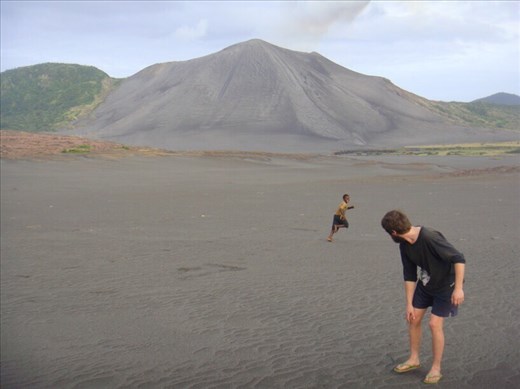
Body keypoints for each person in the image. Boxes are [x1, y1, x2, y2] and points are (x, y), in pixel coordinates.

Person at [381, 210, 465, 385]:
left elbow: (458, 258)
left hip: (446, 286)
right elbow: (409, 274)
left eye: (389, 234)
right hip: (426, 283)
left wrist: (458, 289)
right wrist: (409, 304)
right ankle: (414, 359)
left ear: (393, 233)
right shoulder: (404, 245)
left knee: (434, 324)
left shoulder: (429, 237)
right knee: (413, 318)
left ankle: (436, 368)